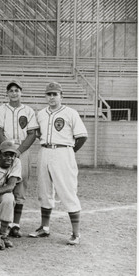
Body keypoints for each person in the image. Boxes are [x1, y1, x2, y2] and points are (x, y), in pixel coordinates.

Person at [31, 82, 88, 245]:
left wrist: (69, 152)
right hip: (44, 151)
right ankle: (44, 227)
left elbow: (82, 136)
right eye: (49, 94)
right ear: (45, 96)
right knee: (44, 189)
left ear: (61, 96)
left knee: (67, 190)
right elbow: (38, 134)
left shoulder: (70, 113)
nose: (52, 97)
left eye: (55, 94)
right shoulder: (41, 114)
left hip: (63, 151)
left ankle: (76, 233)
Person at [0, 79, 38, 238]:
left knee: (20, 185)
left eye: (16, 90)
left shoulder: (29, 111)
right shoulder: (0, 110)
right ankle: (0, 221)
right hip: (5, 148)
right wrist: (6, 149)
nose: (14, 93)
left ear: (21, 92)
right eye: (11, 90)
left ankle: (15, 224)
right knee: (1, 182)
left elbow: (32, 134)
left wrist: (18, 151)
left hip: (21, 150)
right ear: (7, 93)